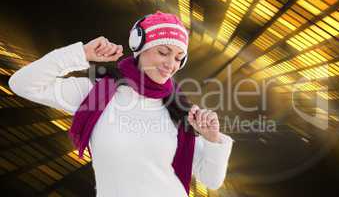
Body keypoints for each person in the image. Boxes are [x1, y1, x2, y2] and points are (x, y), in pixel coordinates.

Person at [8, 11, 234, 197]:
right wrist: (81, 54)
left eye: (178, 58)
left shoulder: (178, 110)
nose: (170, 64)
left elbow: (210, 180)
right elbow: (23, 84)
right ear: (140, 47)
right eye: (163, 52)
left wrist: (212, 139)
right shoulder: (98, 95)